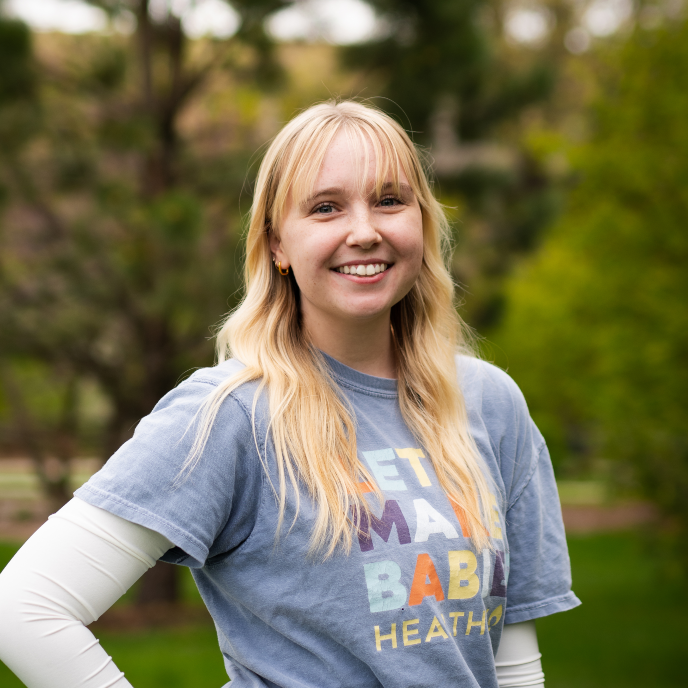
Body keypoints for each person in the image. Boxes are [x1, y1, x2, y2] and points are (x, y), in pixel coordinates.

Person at [0, 100, 580, 688]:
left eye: (389, 200)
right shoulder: (230, 416)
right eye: (326, 208)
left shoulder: (489, 403)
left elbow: (510, 658)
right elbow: (22, 608)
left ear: (422, 223)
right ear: (277, 245)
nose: (364, 231)